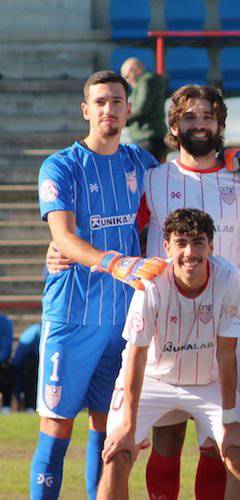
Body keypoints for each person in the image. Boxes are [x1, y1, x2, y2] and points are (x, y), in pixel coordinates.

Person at [32, 70, 167, 500]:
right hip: (71, 316)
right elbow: (63, 237)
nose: (109, 109)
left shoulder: (141, 164)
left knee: (107, 427)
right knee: (56, 424)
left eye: (117, 101)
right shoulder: (61, 166)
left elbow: (189, 179)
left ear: (129, 109)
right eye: (101, 102)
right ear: (86, 110)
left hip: (122, 321)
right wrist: (116, 263)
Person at [97, 208, 240, 500]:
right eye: (180, 243)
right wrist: (129, 427)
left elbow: (226, 352)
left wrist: (232, 419)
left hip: (209, 382)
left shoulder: (230, 276)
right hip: (153, 380)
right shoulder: (150, 282)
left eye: (198, 242)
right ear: (167, 247)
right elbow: (136, 356)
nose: (189, 252)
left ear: (211, 246)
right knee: (116, 454)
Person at [120, 58, 168, 162]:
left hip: (149, 136)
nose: (127, 81)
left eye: (127, 76)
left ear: (137, 70)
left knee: (147, 174)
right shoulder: (144, 83)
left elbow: (141, 108)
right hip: (149, 136)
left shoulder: (146, 80)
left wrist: (122, 120)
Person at [12, 324, 40, 412]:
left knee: (19, 386)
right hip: (25, 362)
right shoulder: (38, 330)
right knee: (30, 384)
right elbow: (38, 352)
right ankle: (30, 407)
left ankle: (21, 408)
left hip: (18, 362)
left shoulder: (34, 329)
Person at [0, 313, 12, 414]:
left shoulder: (4, 322)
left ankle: (6, 407)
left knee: (6, 374)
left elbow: (6, 346)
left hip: (2, 361)